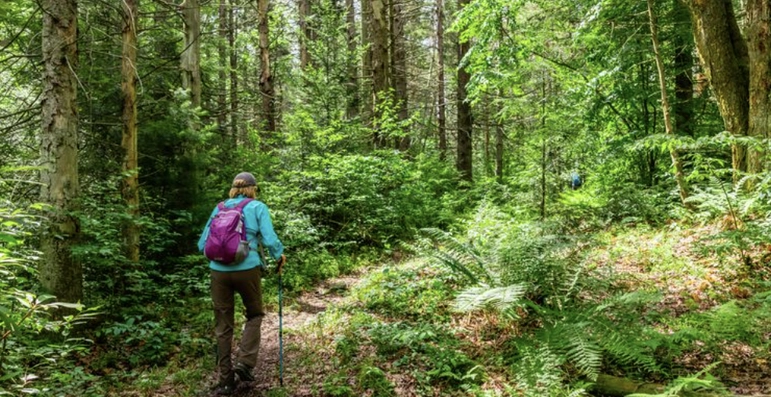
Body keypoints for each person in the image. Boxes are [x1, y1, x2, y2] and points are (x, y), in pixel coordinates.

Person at [197, 172, 286, 395]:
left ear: (233, 188)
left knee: (223, 326)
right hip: (247, 268)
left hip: (218, 272)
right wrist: (279, 255)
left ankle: (226, 381)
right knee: (255, 314)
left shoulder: (219, 208)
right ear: (253, 188)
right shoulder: (257, 207)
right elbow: (269, 237)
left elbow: (202, 244)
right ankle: (244, 363)